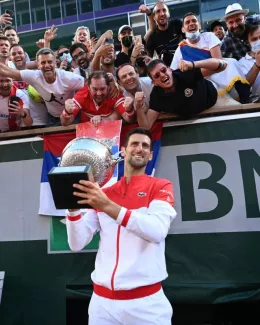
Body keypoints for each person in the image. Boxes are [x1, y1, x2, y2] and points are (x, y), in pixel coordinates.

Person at [66, 126, 176, 325]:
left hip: (145, 304)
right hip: (102, 304)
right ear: (123, 150)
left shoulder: (160, 186)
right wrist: (72, 210)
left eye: (145, 146)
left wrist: (108, 206)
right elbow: (77, 243)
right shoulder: (104, 192)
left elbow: (157, 231)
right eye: (134, 144)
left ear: (151, 155)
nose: (139, 149)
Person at [171, 13, 253, 104]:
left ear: (199, 24)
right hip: (200, 80)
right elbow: (173, 72)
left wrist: (198, 68)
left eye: (194, 21)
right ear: (183, 29)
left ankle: (246, 97)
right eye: (187, 22)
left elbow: (218, 61)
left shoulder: (209, 36)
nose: (191, 24)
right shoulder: (181, 48)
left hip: (218, 72)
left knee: (231, 62)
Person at [0, 48, 84, 125]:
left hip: (73, 117)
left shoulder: (68, 77)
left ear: (55, 63)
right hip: (52, 118)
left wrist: (77, 102)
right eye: (43, 62)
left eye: (50, 62)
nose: (47, 65)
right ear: (38, 65)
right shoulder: (34, 76)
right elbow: (7, 72)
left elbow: (89, 87)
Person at [137, 58, 226, 129]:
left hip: (210, 98)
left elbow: (222, 65)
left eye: (163, 70)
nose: (162, 75)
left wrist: (194, 64)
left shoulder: (185, 73)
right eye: (156, 75)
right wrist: (138, 106)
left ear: (170, 69)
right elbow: (146, 126)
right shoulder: (156, 96)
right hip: (189, 118)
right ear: (154, 83)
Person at [61, 71, 135, 126]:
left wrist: (129, 109)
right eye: (95, 89)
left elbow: (130, 119)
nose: (99, 93)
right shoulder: (82, 94)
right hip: (87, 136)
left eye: (102, 89)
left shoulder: (114, 93)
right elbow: (65, 123)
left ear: (108, 87)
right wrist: (67, 112)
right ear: (89, 88)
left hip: (110, 133)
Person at [9, 44, 48, 126]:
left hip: (43, 123)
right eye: (13, 54)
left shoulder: (36, 75)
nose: (17, 55)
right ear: (10, 58)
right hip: (21, 127)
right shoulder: (7, 81)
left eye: (20, 53)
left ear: (25, 55)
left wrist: (46, 43)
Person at [145, 2, 183, 66]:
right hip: (167, 72)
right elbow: (148, 61)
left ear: (169, 14)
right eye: (158, 11)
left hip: (184, 66)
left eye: (164, 10)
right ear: (154, 17)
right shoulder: (152, 37)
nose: (162, 14)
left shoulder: (177, 24)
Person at [239, 24, 260, 96]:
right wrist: (257, 65)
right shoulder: (242, 63)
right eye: (254, 39)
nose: (259, 41)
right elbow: (245, 87)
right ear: (248, 43)